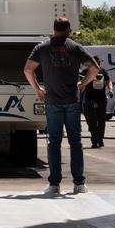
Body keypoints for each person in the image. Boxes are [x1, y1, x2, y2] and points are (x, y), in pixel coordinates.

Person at [24, 16, 99, 194]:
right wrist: (83, 84)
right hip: (72, 100)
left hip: (52, 101)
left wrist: (37, 89)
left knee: (54, 142)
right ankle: (79, 183)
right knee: (76, 141)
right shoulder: (74, 47)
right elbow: (95, 68)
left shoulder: (42, 47)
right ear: (68, 30)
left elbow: (27, 69)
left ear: (54, 28)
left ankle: (54, 184)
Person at [82, 56, 112, 148]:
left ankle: (100, 140)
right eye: (96, 62)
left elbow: (108, 80)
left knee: (102, 121)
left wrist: (110, 90)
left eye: (99, 63)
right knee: (92, 121)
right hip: (90, 99)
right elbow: (80, 81)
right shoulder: (86, 71)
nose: (98, 64)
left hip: (101, 99)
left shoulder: (103, 71)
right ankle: (94, 140)